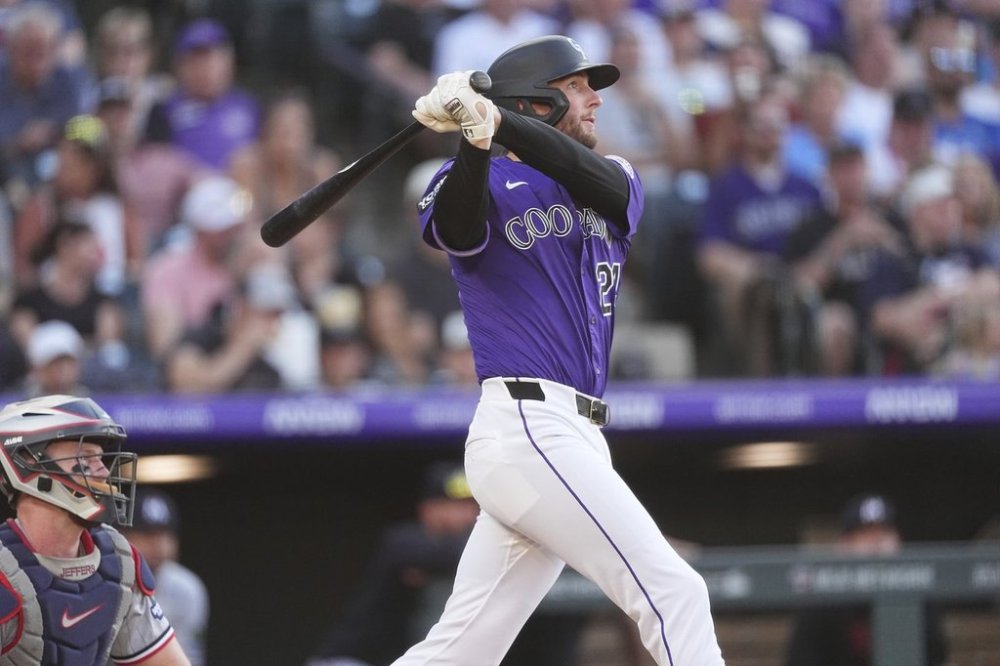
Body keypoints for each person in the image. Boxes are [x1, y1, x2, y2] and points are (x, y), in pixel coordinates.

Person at [395, 35, 725, 664]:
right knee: (674, 589)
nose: (595, 98)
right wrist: (476, 138)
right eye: (576, 86)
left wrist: (497, 118)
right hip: (526, 424)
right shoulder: (470, 180)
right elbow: (457, 228)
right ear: (537, 102)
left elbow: (588, 177)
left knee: (461, 650)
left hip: (572, 434)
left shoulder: (616, 177)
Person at [305, 462, 587, 666]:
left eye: (471, 504)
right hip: (353, 659)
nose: (468, 513)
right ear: (428, 509)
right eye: (455, 504)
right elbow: (458, 552)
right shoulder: (404, 543)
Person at [0, 393, 190, 664]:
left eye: (102, 459)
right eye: (85, 456)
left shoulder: (118, 561)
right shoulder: (4, 573)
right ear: (28, 464)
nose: (102, 471)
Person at [784, 493, 950, 665]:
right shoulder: (822, 600)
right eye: (864, 534)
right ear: (844, 544)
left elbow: (935, 656)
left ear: (898, 542)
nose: (876, 542)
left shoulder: (918, 595)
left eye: (884, 532)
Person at [121, 487, 209, 666]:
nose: (159, 545)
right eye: (147, 535)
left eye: (165, 534)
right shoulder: (103, 579)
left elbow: (188, 658)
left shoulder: (186, 588)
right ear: (122, 536)